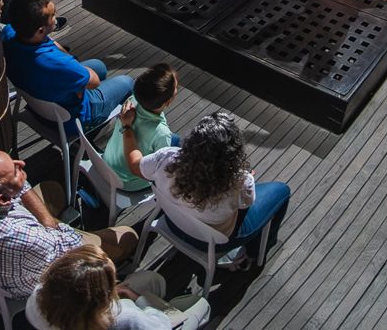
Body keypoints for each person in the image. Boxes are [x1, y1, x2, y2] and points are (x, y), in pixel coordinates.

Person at [0, 148, 137, 299]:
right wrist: (52, 225)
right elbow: (70, 244)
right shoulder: (28, 238)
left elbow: (17, 189)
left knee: (51, 190)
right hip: (25, 284)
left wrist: (46, 220)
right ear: (3, 199)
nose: (21, 163)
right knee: (127, 236)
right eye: (15, 170)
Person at [122, 110, 289, 266]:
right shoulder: (240, 180)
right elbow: (245, 206)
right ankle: (254, 252)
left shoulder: (166, 158)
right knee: (282, 191)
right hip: (212, 242)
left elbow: (135, 165)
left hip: (173, 222)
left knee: (173, 138)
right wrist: (247, 179)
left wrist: (127, 127)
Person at [3, 0, 134, 132]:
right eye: (53, 15)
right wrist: (78, 80)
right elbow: (94, 82)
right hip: (73, 118)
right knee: (127, 82)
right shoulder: (58, 63)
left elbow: (51, 43)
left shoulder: (9, 34)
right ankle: (103, 130)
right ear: (40, 30)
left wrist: (75, 74)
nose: (56, 17)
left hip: (38, 101)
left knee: (99, 66)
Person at [26, 245, 210, 330]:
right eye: (111, 282)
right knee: (201, 305)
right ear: (99, 299)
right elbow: (160, 326)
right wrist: (138, 299)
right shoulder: (122, 317)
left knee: (150, 279)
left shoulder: (38, 297)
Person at [101, 63, 181, 191]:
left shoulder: (130, 102)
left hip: (104, 164)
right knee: (175, 141)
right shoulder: (162, 134)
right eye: (175, 88)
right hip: (125, 182)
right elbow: (158, 169)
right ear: (167, 102)